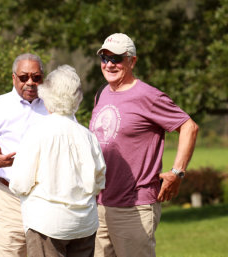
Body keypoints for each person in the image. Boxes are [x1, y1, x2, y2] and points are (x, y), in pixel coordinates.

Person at [89, 33, 199, 257]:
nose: (110, 64)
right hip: (99, 205)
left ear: (132, 61)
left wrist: (177, 173)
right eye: (105, 58)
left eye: (117, 59)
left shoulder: (148, 96)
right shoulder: (101, 93)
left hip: (134, 206)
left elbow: (189, 127)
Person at [9, 65, 106, 257]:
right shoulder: (87, 136)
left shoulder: (37, 132)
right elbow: (99, 181)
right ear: (77, 98)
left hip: (46, 224)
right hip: (84, 224)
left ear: (47, 95)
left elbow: (19, 183)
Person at [0, 53, 48, 257]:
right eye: (24, 77)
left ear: (43, 78)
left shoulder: (55, 106)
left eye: (36, 77)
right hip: (9, 198)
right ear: (14, 78)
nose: (30, 82)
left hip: (47, 199)